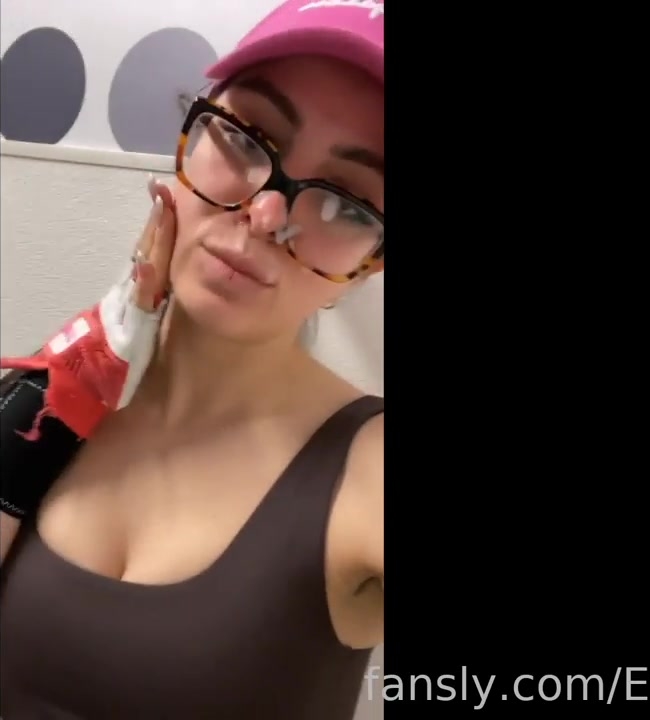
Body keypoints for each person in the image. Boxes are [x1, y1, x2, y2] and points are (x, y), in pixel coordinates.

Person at [0, 1, 384, 717]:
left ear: (369, 265)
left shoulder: (366, 467)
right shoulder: (63, 386)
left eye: (348, 203)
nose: (265, 216)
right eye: (248, 138)